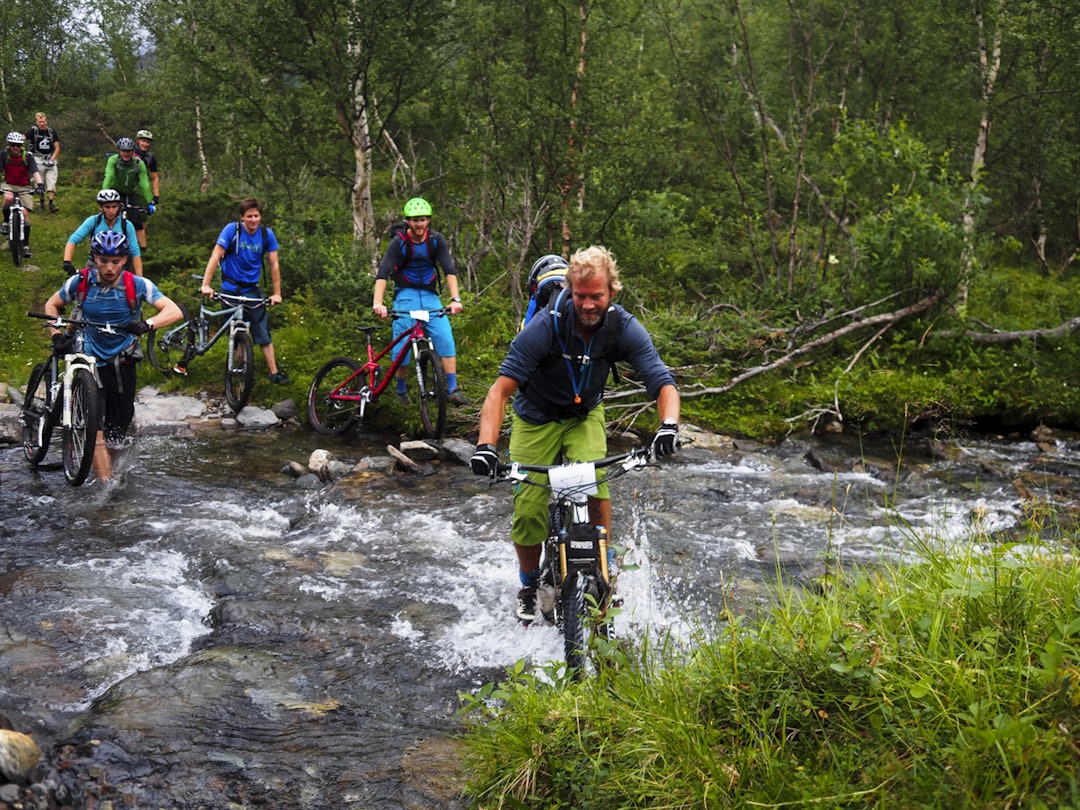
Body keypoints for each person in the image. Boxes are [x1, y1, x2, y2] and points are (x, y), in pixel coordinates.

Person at [469, 245, 681, 623]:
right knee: (529, 512)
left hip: (584, 415)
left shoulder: (622, 327)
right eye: (580, 296)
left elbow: (662, 382)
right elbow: (499, 392)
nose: (587, 305)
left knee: (595, 485)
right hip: (535, 417)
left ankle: (603, 567)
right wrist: (485, 446)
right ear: (570, 290)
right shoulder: (545, 326)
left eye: (596, 296)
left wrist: (668, 426)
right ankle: (529, 584)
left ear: (611, 292)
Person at [43, 231, 184, 484]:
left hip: (122, 362)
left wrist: (147, 324)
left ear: (125, 260)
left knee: (118, 429)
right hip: (87, 359)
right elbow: (51, 305)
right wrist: (56, 335)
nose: (109, 268)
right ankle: (106, 489)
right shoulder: (80, 282)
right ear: (94, 258)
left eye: (116, 262)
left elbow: (173, 311)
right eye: (103, 261)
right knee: (95, 428)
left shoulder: (137, 285)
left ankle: (109, 477)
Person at [373, 197, 468, 405]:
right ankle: (401, 390)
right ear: (408, 221)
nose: (419, 224)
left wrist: (455, 300)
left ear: (428, 220)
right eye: (415, 220)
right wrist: (378, 303)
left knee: (445, 336)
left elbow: (449, 270)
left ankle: (453, 389)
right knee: (402, 342)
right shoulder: (398, 242)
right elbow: (383, 273)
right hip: (405, 294)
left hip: (430, 296)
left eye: (423, 220)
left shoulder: (436, 240)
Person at [193, 197, 289, 383]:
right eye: (249, 216)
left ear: (260, 217)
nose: (253, 220)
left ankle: (274, 373)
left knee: (262, 330)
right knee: (236, 330)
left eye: (256, 216)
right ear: (242, 217)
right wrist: (206, 284)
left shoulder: (266, 235)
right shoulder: (232, 230)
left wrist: (277, 293)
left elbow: (274, 264)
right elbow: (215, 256)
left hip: (252, 289)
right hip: (230, 288)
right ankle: (241, 371)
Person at [63, 189, 144, 276]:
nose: (111, 211)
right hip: (95, 265)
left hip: (118, 267)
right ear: (100, 207)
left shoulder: (126, 225)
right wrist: (67, 262)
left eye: (114, 207)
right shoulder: (93, 221)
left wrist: (140, 279)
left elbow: (135, 252)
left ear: (119, 206)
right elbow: (73, 239)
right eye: (107, 207)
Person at [102, 137, 154, 250]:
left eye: (129, 151)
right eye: (123, 151)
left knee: (137, 220)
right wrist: (104, 194)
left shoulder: (138, 164)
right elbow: (109, 177)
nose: (126, 154)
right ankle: (103, 244)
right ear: (119, 151)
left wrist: (150, 202)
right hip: (115, 192)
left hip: (130, 193)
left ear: (133, 151)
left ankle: (143, 250)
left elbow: (144, 184)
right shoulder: (113, 160)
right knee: (108, 217)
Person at [1, 132, 44, 257]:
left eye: (18, 145)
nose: (15, 148)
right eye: (13, 145)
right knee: (8, 197)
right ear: (9, 145)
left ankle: (25, 245)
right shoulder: (4, 155)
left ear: (22, 146)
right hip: (9, 184)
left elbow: (35, 172)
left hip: (24, 187)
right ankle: (5, 222)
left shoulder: (28, 156)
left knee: (24, 214)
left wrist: (40, 185)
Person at [25, 112, 59, 213]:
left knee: (51, 180)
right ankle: (42, 202)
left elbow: (57, 148)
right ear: (37, 122)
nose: (42, 124)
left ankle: (51, 203)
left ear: (46, 121)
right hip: (38, 159)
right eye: (40, 122)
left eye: (43, 121)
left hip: (50, 158)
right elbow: (22, 138)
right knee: (40, 182)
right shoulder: (33, 131)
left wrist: (52, 159)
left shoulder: (51, 132)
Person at [134, 130, 159, 243]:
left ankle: (142, 248)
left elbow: (155, 177)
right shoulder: (129, 153)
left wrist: (156, 195)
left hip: (141, 192)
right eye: (143, 141)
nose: (146, 144)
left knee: (141, 221)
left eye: (148, 142)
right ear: (138, 141)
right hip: (126, 189)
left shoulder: (150, 158)